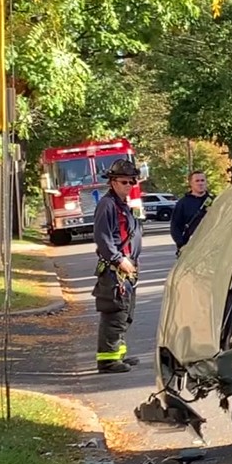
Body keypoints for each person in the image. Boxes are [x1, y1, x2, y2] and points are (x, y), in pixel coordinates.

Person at [91, 159, 143, 374]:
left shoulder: (123, 205)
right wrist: (119, 259)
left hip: (127, 269)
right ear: (112, 182)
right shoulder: (107, 205)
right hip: (116, 269)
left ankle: (117, 355)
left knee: (124, 314)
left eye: (132, 182)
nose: (129, 186)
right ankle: (107, 361)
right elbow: (103, 237)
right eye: (124, 182)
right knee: (115, 313)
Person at [170, 170, 215, 256]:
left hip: (212, 246)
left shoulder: (215, 201)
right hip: (191, 247)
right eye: (197, 181)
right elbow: (175, 227)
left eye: (202, 180)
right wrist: (181, 244)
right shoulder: (183, 203)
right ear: (191, 184)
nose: (200, 183)